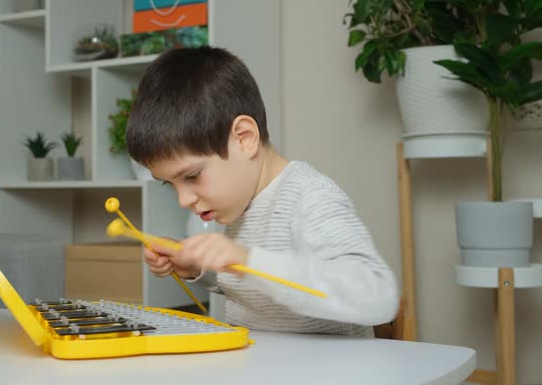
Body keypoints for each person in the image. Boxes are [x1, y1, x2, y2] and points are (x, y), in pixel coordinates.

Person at [125, 46, 399, 337]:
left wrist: (247, 261)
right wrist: (198, 268)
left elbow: (378, 296)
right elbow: (261, 294)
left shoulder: (310, 196)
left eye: (192, 176)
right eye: (171, 184)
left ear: (244, 138)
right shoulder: (242, 204)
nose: (183, 199)